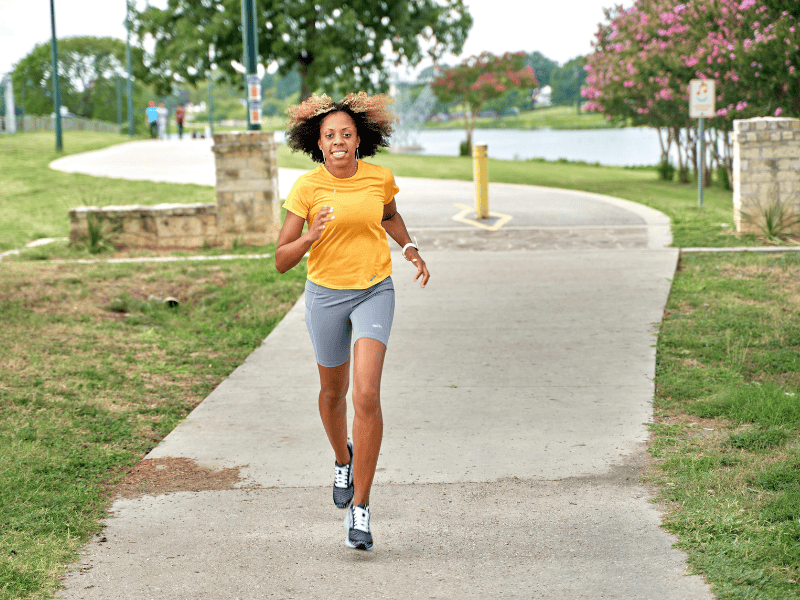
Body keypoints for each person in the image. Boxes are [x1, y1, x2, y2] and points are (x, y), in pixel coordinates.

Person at [276, 92, 429, 551]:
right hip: (325, 296)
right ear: (318, 144)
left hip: (373, 290)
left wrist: (409, 248)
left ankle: (360, 509)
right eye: (330, 136)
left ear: (359, 139)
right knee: (332, 392)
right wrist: (310, 236)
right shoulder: (307, 188)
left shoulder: (379, 178)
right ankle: (342, 456)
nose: (339, 141)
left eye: (346, 134)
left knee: (366, 393)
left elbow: (390, 216)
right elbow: (281, 260)